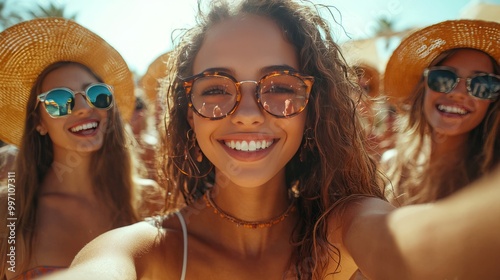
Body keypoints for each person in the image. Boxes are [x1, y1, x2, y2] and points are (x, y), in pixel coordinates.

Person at [42, 2, 500, 279]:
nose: (246, 114)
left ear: (314, 107)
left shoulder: (346, 224)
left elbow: (422, 249)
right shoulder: (140, 250)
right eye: (216, 89)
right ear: (187, 110)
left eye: (280, 86)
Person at [0, 18, 159, 280]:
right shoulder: (9, 210)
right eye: (59, 100)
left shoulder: (149, 200)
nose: (84, 107)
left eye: (96, 93)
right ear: (39, 122)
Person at [382, 19, 500, 205]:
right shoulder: (391, 165)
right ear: (423, 87)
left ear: (493, 102)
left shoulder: (493, 183)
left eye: (482, 85)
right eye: (444, 78)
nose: (458, 93)